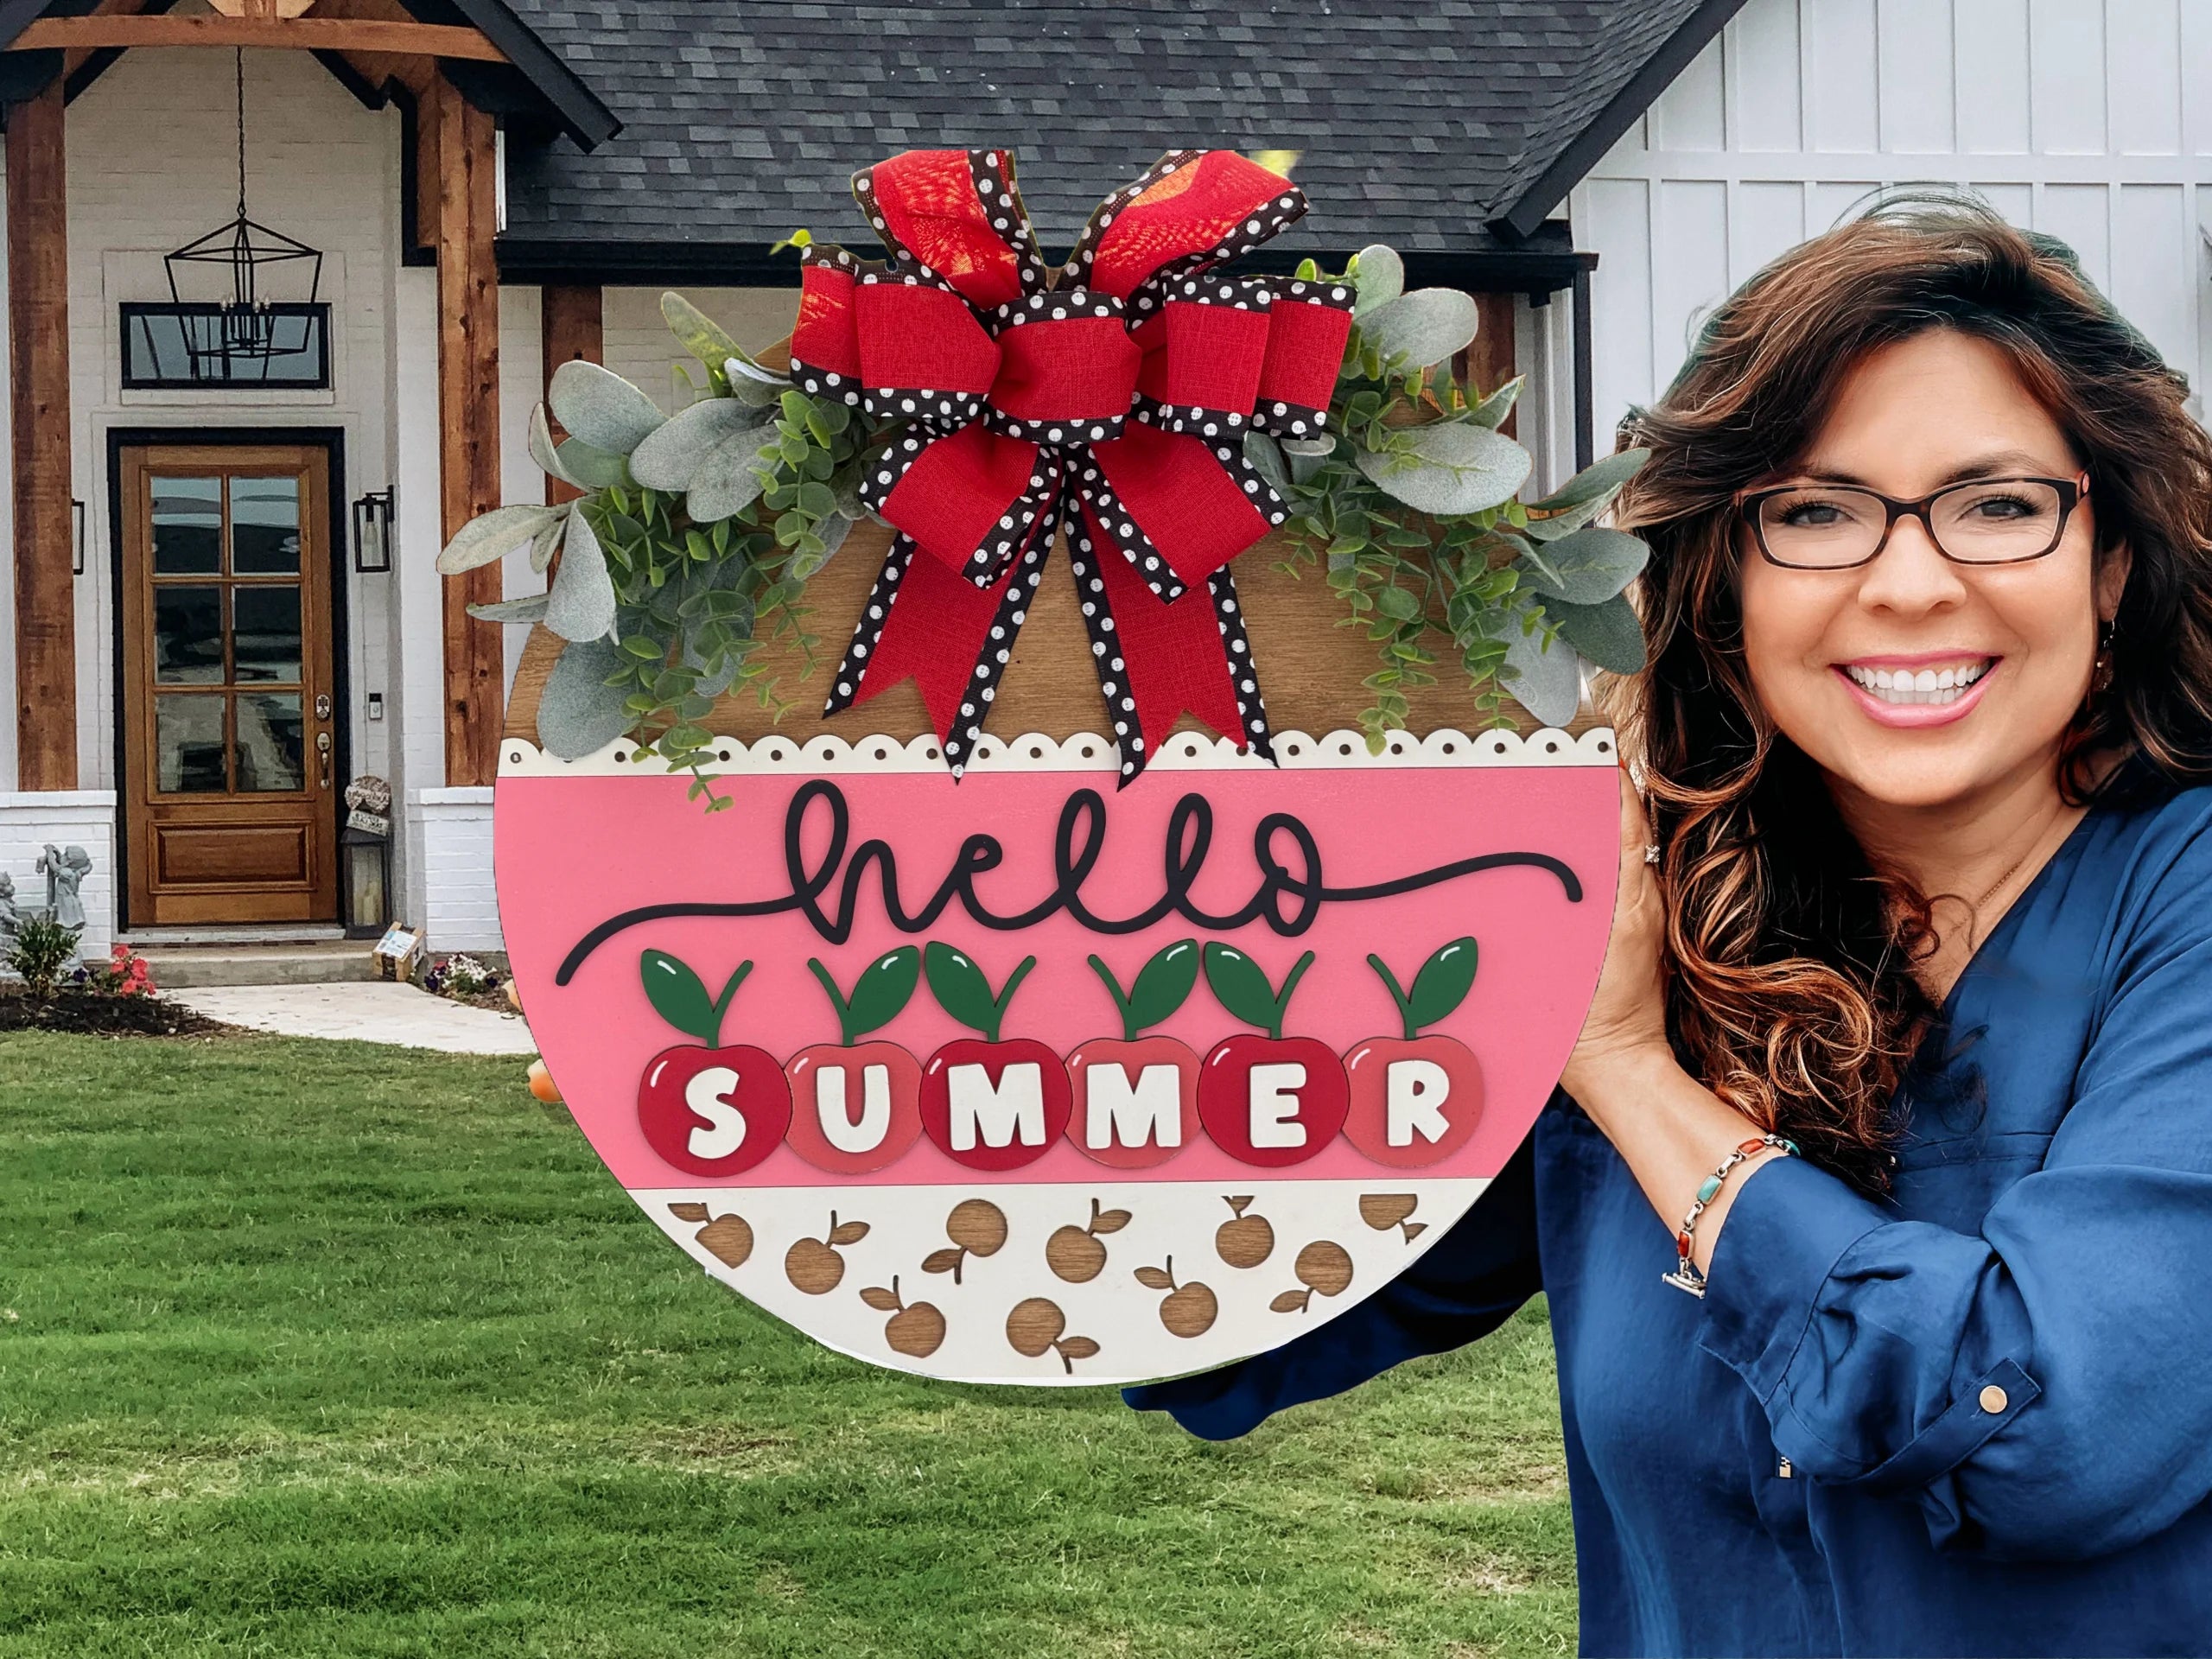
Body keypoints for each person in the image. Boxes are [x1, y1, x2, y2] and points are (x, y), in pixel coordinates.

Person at [1126, 198, 2212, 1657]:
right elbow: (1232, 1301)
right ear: (1723, 577)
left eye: (2000, 506)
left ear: (2113, 560)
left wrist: (1632, 1075)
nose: (1908, 583)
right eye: (1814, 512)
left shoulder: (2179, 907)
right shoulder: (1655, 915)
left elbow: (2053, 1431)